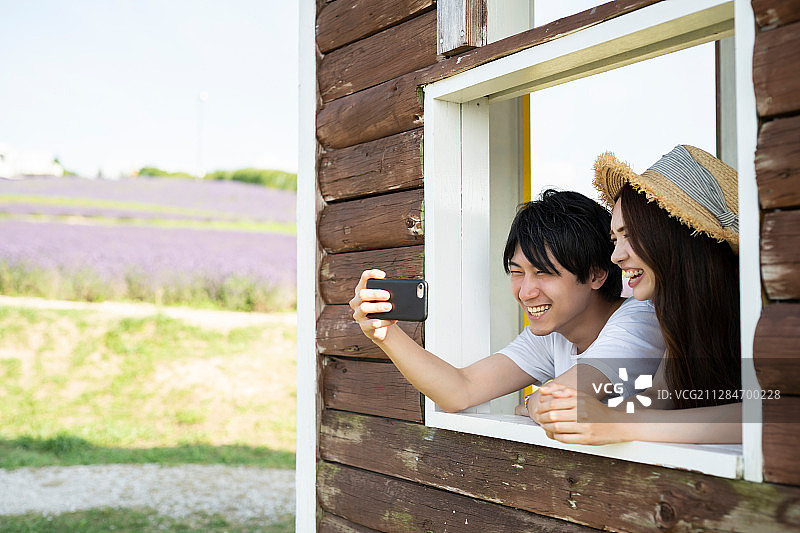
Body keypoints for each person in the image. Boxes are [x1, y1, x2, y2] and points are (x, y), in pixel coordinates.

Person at [350, 189, 665, 415]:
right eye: (517, 272)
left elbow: (556, 402)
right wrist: (385, 334)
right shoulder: (555, 333)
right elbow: (460, 390)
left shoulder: (640, 319)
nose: (526, 291)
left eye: (543, 272)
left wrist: (531, 401)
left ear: (596, 274)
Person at [533, 145, 742, 444]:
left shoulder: (762, 314)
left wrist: (614, 423)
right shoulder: (681, 317)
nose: (616, 256)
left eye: (630, 235)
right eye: (615, 239)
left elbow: (774, 414)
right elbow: (659, 397)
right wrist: (580, 415)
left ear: (676, 234)